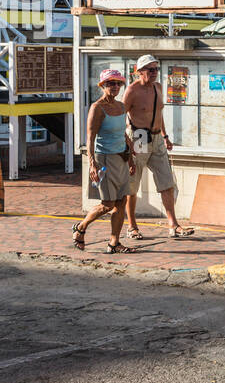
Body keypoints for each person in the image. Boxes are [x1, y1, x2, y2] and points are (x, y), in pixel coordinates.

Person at [121, 53, 195, 239]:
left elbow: (158, 114)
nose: (154, 73)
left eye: (156, 69)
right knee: (133, 184)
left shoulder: (158, 87)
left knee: (167, 182)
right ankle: (132, 226)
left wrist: (165, 135)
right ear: (139, 71)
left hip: (156, 139)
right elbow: (119, 117)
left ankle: (173, 225)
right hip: (138, 136)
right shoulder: (131, 91)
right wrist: (126, 143)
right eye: (150, 69)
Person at [73, 69, 137, 254]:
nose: (115, 87)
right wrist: (92, 163)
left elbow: (122, 132)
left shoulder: (121, 106)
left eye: (118, 83)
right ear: (102, 86)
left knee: (121, 202)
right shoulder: (97, 107)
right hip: (104, 160)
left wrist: (131, 156)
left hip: (121, 157)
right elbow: (90, 138)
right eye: (111, 83)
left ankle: (114, 242)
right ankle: (81, 227)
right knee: (107, 204)